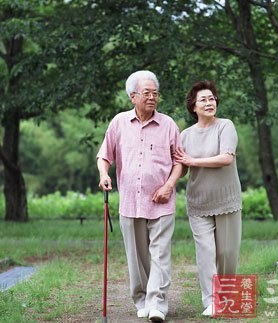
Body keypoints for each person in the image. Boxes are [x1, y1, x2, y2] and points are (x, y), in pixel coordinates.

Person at [96, 70, 182, 322]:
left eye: (155, 93)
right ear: (132, 96)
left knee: (160, 253)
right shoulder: (119, 123)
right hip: (130, 203)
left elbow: (180, 161)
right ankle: (141, 298)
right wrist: (104, 174)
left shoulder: (168, 125)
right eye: (147, 93)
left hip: (162, 202)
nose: (152, 97)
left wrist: (169, 185)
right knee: (136, 257)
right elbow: (105, 155)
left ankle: (158, 303)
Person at [174, 80, 242, 316]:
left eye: (212, 98)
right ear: (193, 106)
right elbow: (180, 168)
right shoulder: (185, 135)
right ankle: (211, 301)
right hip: (198, 202)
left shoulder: (225, 126)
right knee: (205, 253)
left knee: (227, 253)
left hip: (227, 201)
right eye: (203, 99)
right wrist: (166, 182)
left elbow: (226, 158)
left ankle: (226, 298)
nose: (209, 102)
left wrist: (193, 161)